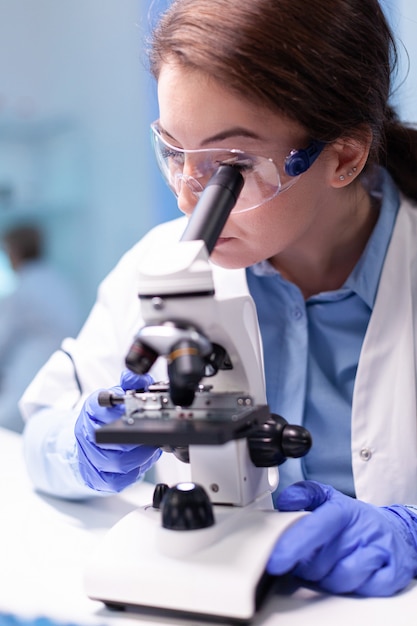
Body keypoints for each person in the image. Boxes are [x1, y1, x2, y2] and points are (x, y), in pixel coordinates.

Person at [20, 0, 417, 598]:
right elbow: (39, 432)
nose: (189, 199)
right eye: (174, 154)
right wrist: (84, 445)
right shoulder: (158, 265)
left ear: (344, 156)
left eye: (231, 165)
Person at [0, 225, 81, 432]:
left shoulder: (22, 289)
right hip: (64, 377)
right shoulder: (58, 281)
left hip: (28, 378)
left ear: (14, 251)